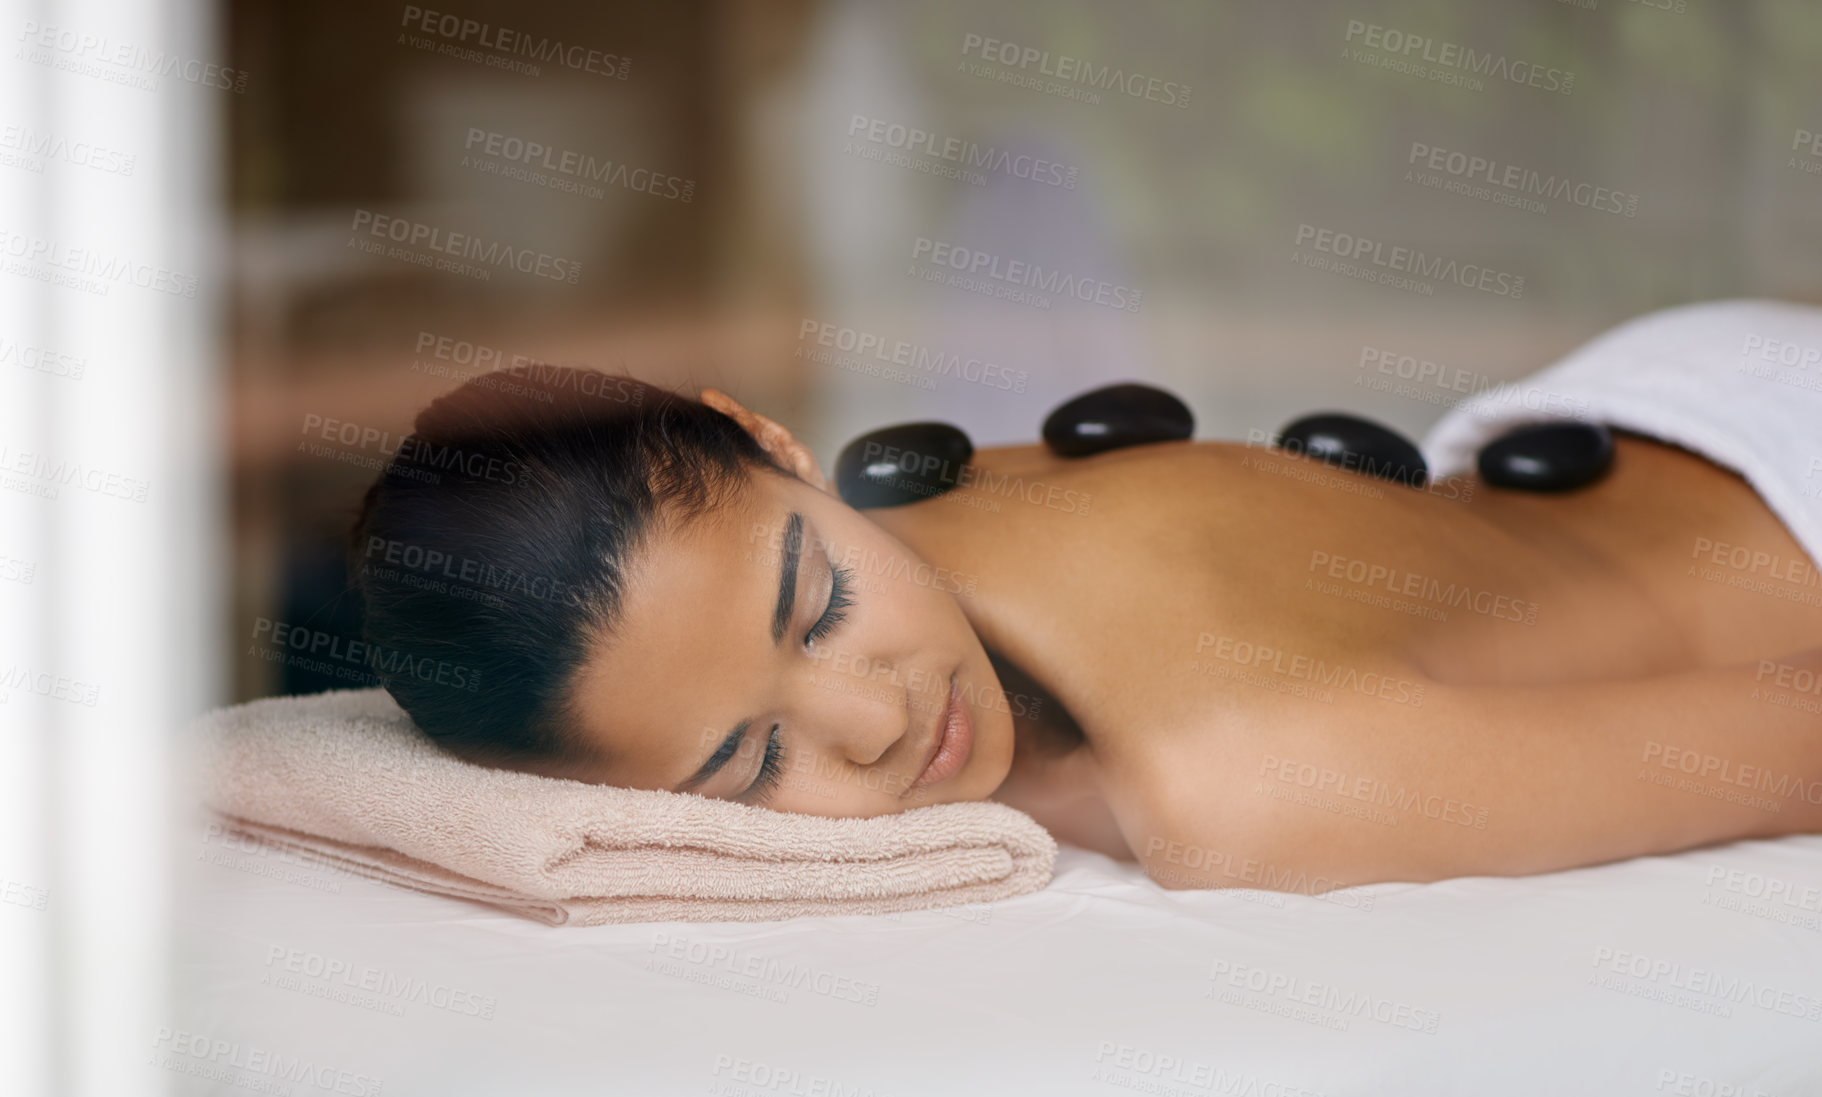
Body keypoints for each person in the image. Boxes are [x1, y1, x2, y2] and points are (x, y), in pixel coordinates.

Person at [347, 363, 1822, 895]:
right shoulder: (911, 494)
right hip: (1607, 411)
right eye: (745, 761)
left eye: (820, 600)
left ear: (769, 437)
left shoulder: (1241, 776)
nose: (869, 724)